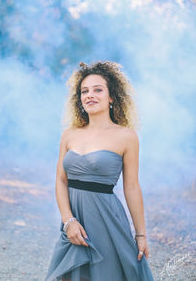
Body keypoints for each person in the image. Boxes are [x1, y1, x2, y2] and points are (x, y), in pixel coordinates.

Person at [45, 61, 154, 281]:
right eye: (84, 91)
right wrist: (68, 221)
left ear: (112, 96)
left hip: (107, 221)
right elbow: (60, 180)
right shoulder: (70, 134)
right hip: (74, 220)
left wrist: (140, 234)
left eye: (97, 89)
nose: (90, 95)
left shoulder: (126, 136)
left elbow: (132, 187)